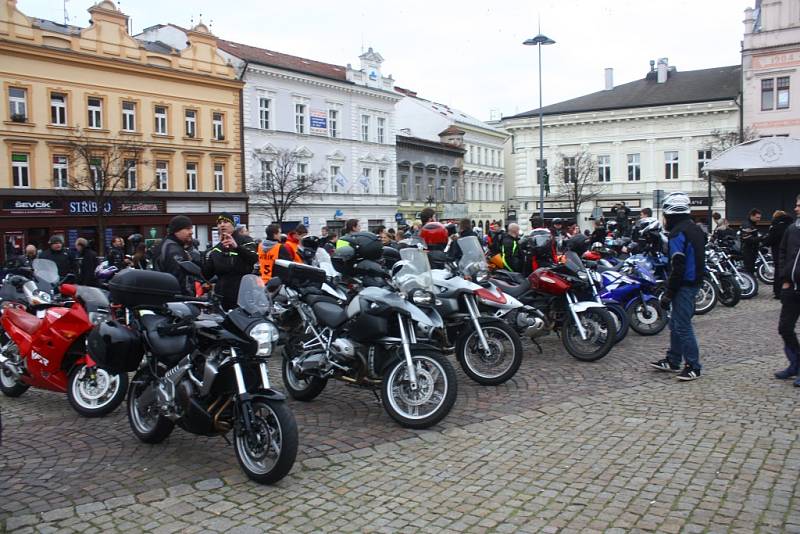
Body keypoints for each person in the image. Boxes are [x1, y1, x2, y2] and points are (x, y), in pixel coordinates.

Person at [650, 192, 706, 381]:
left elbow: (677, 265)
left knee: (682, 326)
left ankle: (693, 366)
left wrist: (669, 292)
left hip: (684, 284)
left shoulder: (677, 234)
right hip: (694, 281)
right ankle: (673, 359)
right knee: (675, 323)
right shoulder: (696, 229)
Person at [202, 212, 259, 310]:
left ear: (233, 225)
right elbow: (207, 273)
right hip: (222, 296)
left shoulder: (245, 241)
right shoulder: (216, 249)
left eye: (225, 222)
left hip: (243, 294)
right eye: (219, 223)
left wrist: (237, 247)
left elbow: (253, 258)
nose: (222, 225)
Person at [777, 195, 800, 382]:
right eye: (797, 205)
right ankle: (795, 364)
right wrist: (785, 278)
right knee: (785, 328)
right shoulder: (792, 229)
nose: (796, 208)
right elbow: (782, 252)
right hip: (790, 287)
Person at [153, 215, 201, 295]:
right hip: (176, 300)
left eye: (191, 228)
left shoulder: (168, 244)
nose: (191, 232)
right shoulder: (173, 250)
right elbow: (179, 280)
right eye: (187, 228)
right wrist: (188, 297)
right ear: (176, 230)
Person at [763, 210, 794, 299]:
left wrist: (763, 243)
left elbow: (770, 239)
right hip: (790, 250)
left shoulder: (775, 225)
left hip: (778, 251)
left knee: (778, 270)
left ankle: (778, 292)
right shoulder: (791, 224)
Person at [740, 208, 762, 275]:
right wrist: (760, 238)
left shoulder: (752, 224)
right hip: (748, 250)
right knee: (749, 269)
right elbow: (747, 239)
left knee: (750, 269)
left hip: (752, 250)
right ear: (751, 216)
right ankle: (750, 283)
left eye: (760, 217)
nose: (759, 219)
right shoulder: (747, 225)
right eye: (757, 217)